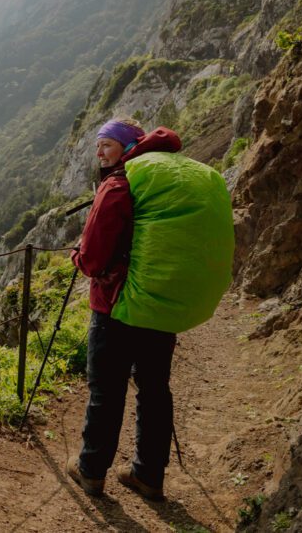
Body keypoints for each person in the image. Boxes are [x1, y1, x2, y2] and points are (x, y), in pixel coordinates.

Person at [66, 117, 182, 501]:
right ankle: (149, 476)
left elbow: (94, 259)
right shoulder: (164, 182)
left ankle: (91, 471)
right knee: (154, 388)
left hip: (114, 307)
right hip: (158, 301)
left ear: (128, 147)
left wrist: (77, 259)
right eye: (98, 145)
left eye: (107, 145)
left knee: (107, 390)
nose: (100, 152)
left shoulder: (117, 185)